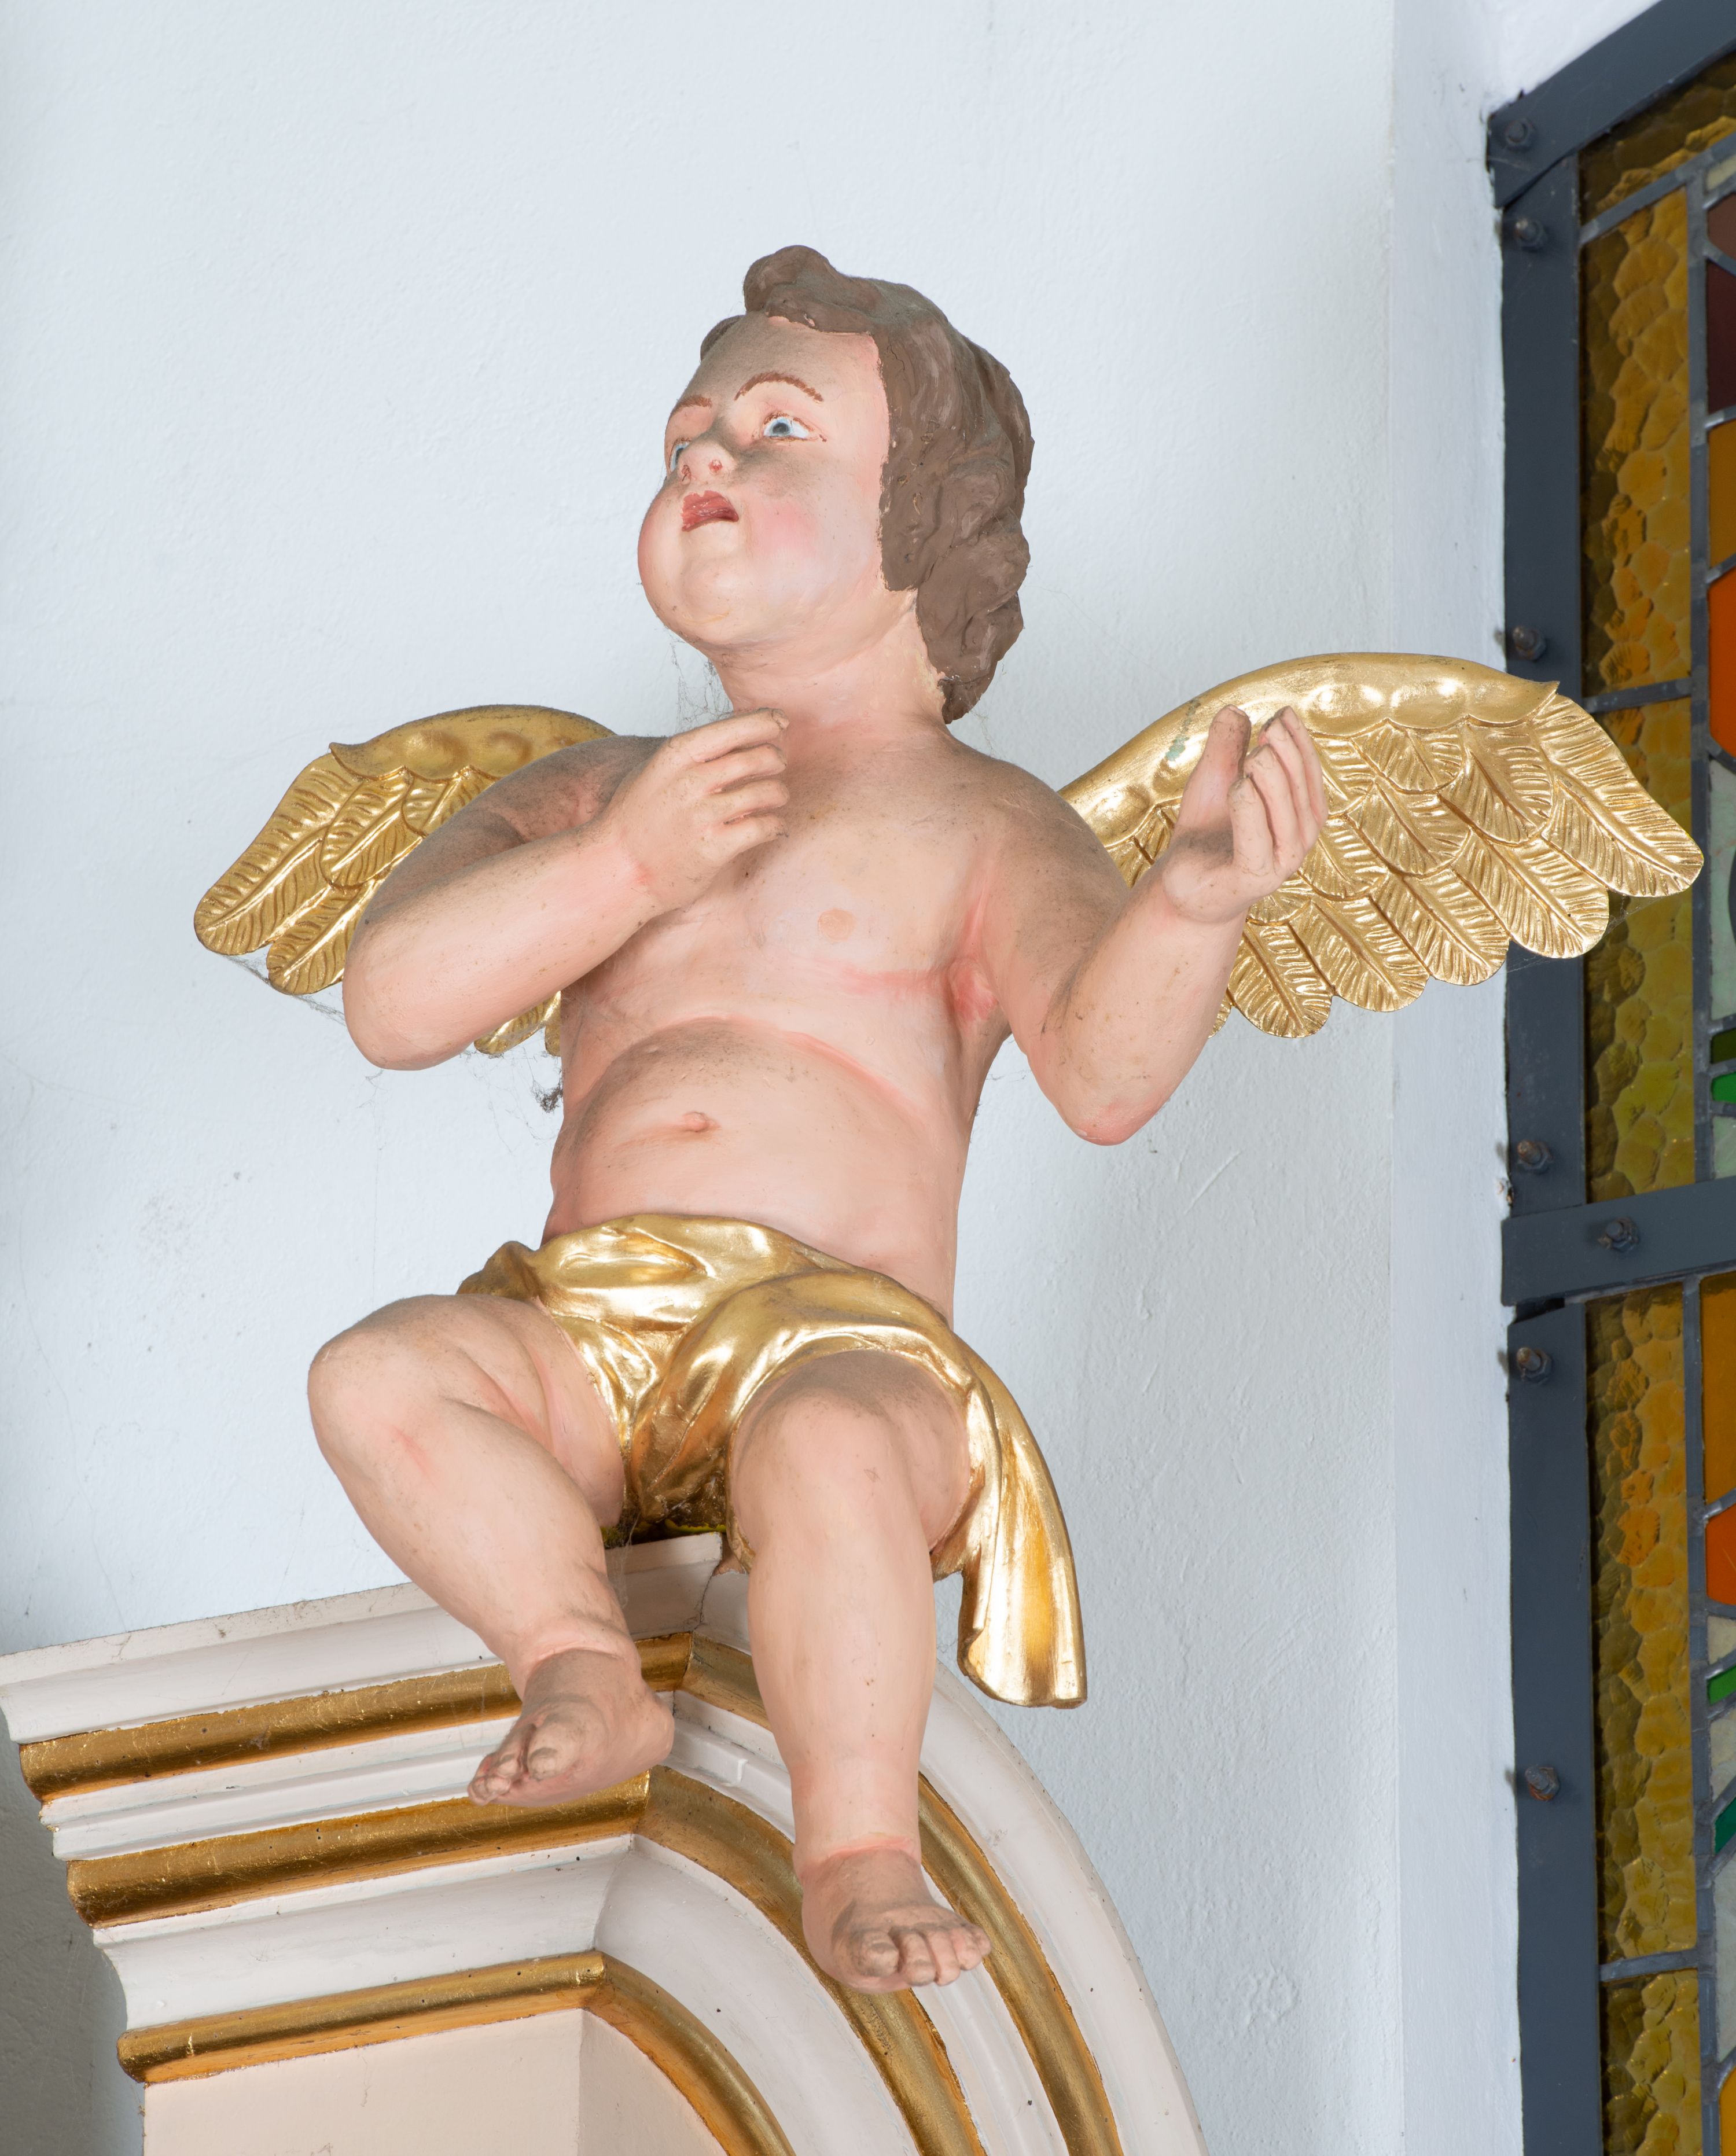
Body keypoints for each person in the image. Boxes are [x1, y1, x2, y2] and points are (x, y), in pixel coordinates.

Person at [306, 246, 1325, 1993]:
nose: (706, 453)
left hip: (839, 1337)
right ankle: (575, 1657)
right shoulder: (586, 794)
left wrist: (1194, 905)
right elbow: (393, 1001)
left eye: (777, 429)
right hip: (587, 1333)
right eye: (686, 432)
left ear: (923, 525)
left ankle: (855, 1848)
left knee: (831, 1453)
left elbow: (1101, 1076)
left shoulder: (980, 821)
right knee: (376, 1377)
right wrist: (624, 866)